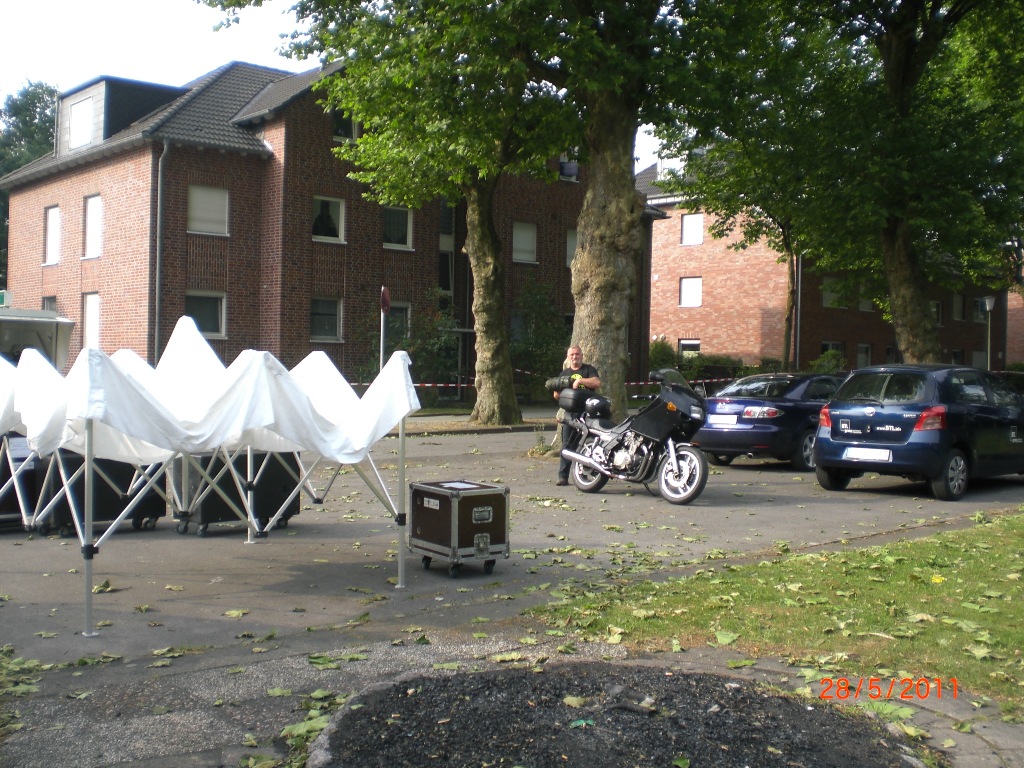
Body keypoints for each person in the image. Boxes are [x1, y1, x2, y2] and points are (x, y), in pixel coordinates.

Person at [553, 345, 601, 485]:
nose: (575, 357)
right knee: (567, 444)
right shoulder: (564, 373)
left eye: (577, 354)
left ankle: (590, 475)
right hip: (570, 414)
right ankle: (563, 477)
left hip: (588, 413)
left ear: (581, 355)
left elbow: (597, 383)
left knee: (590, 444)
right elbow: (556, 395)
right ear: (568, 357)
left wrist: (579, 381)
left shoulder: (589, 370)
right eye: (572, 355)